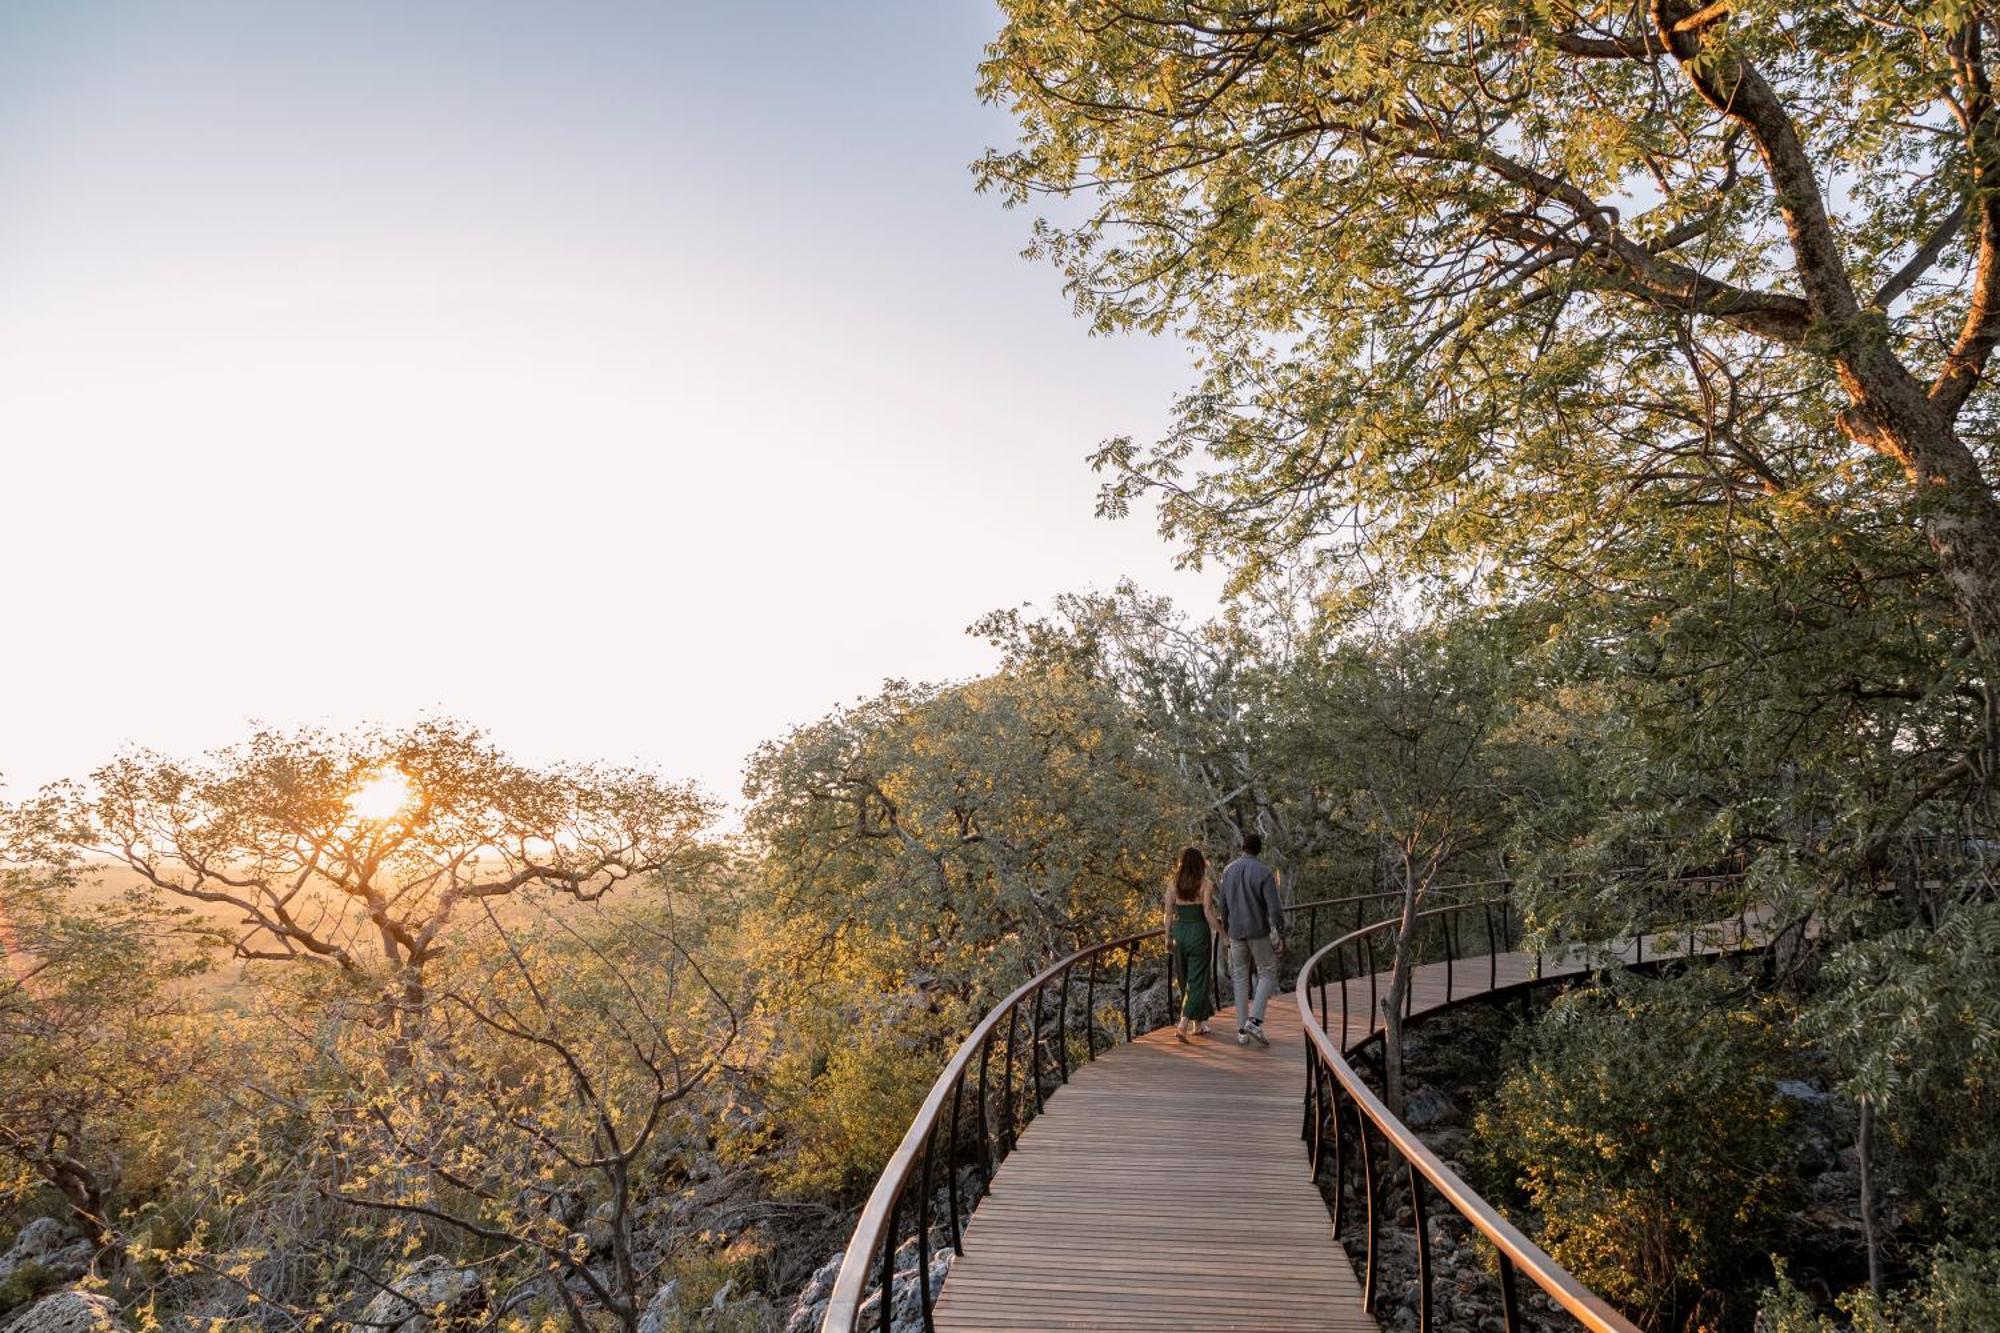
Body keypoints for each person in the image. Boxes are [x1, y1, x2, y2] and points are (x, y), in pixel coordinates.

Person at [1217, 831, 1284, 1046]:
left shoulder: (1228, 871)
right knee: (1266, 972)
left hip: (1236, 932)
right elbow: (1274, 909)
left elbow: (1223, 905)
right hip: (1258, 931)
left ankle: (1241, 1031)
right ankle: (1254, 1021)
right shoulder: (1264, 873)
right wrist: (1280, 932)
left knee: (1239, 977)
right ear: (1259, 849)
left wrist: (1227, 929)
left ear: (1242, 847)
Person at [1163, 846, 1221, 1042]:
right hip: (1198, 932)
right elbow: (1208, 913)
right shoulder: (1205, 884)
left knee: (1185, 977)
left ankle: (1198, 1024)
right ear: (1200, 864)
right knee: (1198, 979)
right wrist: (1223, 933)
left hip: (1180, 933)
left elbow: (1169, 914)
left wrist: (1167, 937)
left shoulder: (1172, 884)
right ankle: (1183, 1023)